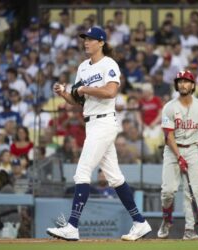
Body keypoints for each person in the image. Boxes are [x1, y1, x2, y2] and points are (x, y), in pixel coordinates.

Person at [46, 27, 151, 241]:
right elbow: (77, 100)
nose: (86, 42)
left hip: (104, 122)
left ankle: (72, 226)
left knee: (82, 172)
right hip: (91, 123)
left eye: (91, 39)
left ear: (101, 42)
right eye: (84, 38)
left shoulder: (109, 64)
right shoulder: (83, 67)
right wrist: (65, 93)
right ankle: (140, 222)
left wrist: (85, 90)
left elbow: (111, 92)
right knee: (115, 177)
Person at [158, 70, 198, 240]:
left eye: (186, 81)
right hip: (173, 150)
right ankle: (167, 219)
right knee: (168, 191)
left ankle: (189, 230)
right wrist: (178, 156)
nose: (182, 84)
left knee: (192, 192)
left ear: (193, 85)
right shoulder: (169, 107)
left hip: (192, 150)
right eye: (180, 81)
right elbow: (169, 135)